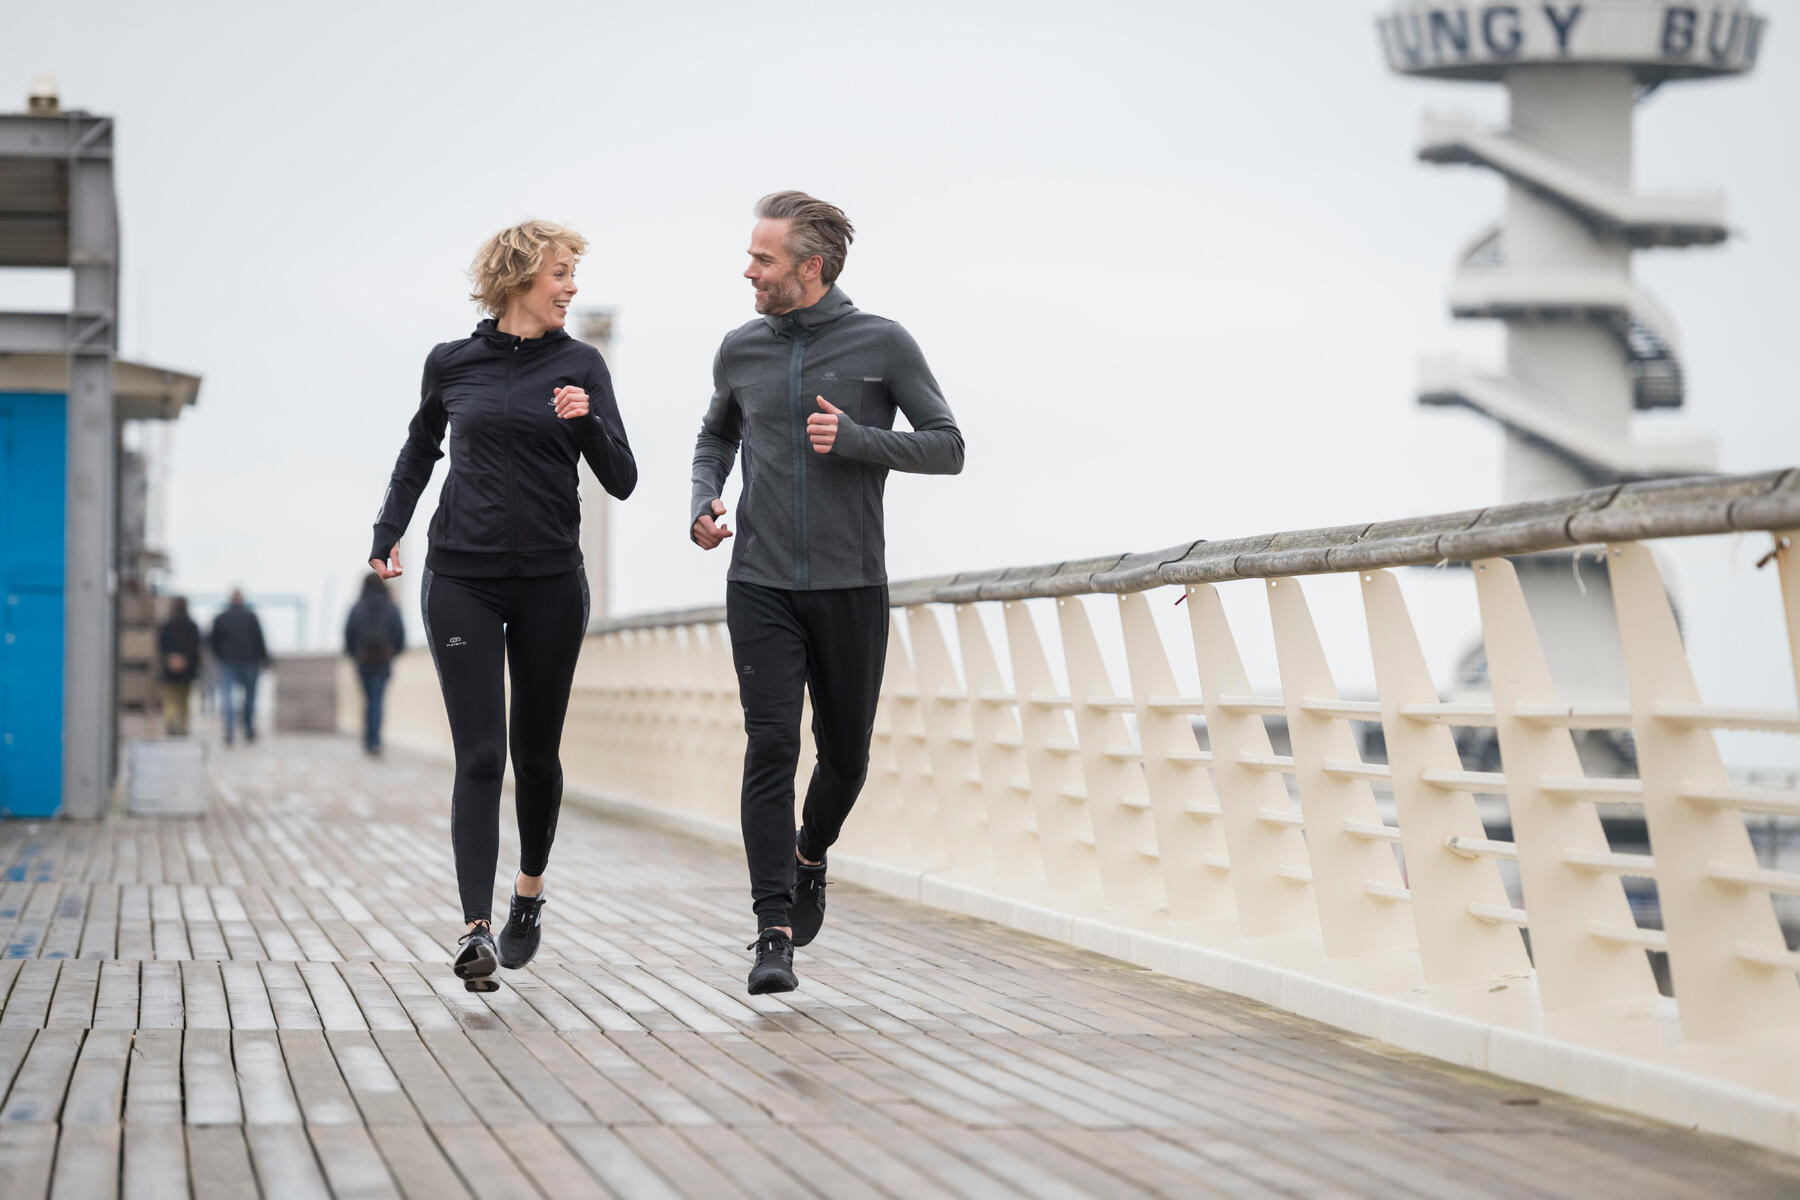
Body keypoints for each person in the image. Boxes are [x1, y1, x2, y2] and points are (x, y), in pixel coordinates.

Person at [690, 192, 964, 994]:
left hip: (851, 585)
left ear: (810, 267)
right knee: (771, 745)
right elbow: (716, 434)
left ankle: (810, 855)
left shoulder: (882, 343)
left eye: (763, 259)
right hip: (760, 583)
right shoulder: (741, 349)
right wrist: (704, 496)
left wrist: (857, 442)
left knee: (845, 757)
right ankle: (771, 929)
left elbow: (948, 447)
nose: (749, 270)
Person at [368, 219, 636, 993]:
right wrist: (389, 531)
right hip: (463, 578)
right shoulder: (452, 364)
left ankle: (527, 895)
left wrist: (585, 419)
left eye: (574, 274)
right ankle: (475, 929)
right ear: (521, 277)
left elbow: (621, 478)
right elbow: (420, 451)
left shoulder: (581, 364)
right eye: (561, 273)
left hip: (553, 580)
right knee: (481, 755)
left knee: (537, 755)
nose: (572, 288)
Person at [344, 574, 406, 757]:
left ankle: (369, 739)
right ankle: (375, 740)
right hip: (383, 661)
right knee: (377, 700)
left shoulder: (357, 607)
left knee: (369, 700)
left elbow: (348, 634)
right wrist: (393, 654)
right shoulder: (391, 606)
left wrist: (354, 655)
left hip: (364, 661)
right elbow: (400, 634)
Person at [209, 590, 269, 746]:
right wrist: (265, 659)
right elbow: (259, 639)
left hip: (228, 661)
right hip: (249, 661)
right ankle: (248, 729)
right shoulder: (251, 616)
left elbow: (212, 641)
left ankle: (229, 730)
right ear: (242, 600)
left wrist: (220, 655)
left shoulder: (221, 618)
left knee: (227, 698)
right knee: (249, 698)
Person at [156, 596, 202, 736]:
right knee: (184, 700)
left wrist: (172, 658)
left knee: (170, 699)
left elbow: (161, 645)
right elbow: (195, 647)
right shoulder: (192, 625)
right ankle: (183, 727)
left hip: (170, 668)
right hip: (187, 671)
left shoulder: (167, 624)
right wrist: (185, 659)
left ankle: (171, 721)